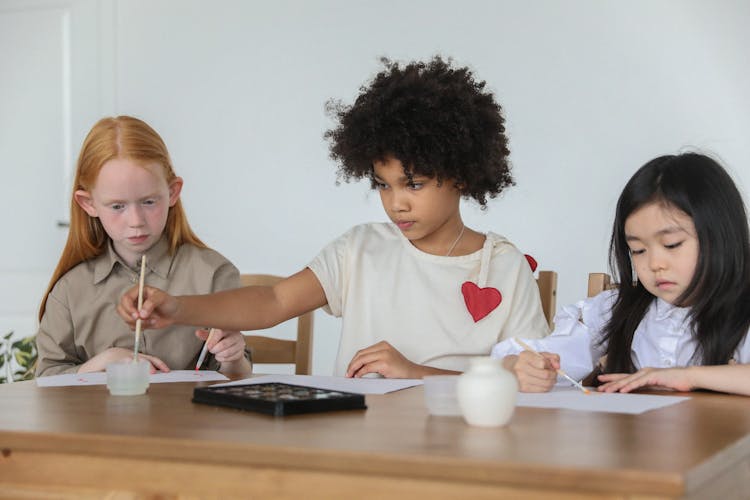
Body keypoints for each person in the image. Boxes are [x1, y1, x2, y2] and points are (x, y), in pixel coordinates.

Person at [118, 56, 550, 379]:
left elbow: (533, 383)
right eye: (383, 184)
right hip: (359, 446)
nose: (395, 202)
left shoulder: (504, 268)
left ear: (459, 175)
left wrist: (415, 373)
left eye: (412, 184)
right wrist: (177, 308)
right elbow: (274, 301)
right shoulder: (361, 249)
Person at [492, 152, 750, 396]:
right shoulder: (615, 310)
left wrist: (689, 376)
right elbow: (537, 358)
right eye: (638, 250)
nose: (654, 263)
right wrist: (518, 367)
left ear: (721, 235)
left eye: (672, 244)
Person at [36, 116, 251, 377]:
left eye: (149, 202)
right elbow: (45, 380)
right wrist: (105, 360)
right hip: (96, 419)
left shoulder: (214, 274)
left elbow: (236, 376)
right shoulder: (69, 292)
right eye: (117, 206)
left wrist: (233, 357)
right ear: (88, 204)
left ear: (173, 192)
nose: (136, 222)